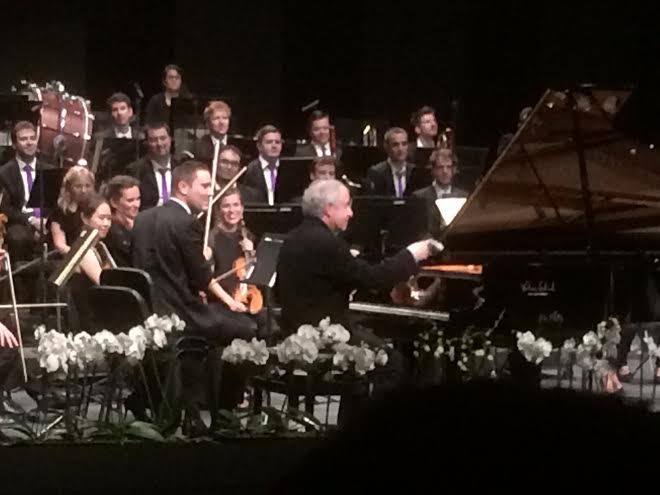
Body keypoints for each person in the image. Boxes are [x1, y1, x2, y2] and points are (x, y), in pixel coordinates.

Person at [277, 179, 439, 422]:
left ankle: (350, 421)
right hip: (323, 335)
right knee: (394, 365)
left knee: (367, 347)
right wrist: (411, 254)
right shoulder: (327, 243)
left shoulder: (293, 238)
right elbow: (373, 279)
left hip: (297, 329)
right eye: (346, 205)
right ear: (328, 209)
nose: (351, 213)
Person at [131, 160, 255, 343]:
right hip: (183, 314)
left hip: (148, 314)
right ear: (183, 187)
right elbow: (202, 279)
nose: (210, 192)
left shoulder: (142, 218)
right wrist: (205, 260)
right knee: (249, 327)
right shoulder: (188, 223)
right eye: (204, 186)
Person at [207, 189, 265, 337]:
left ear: (242, 208)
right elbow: (208, 279)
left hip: (245, 298)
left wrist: (252, 253)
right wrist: (230, 302)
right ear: (219, 210)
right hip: (222, 302)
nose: (232, 211)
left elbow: (254, 274)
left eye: (236, 205)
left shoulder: (247, 235)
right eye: (226, 206)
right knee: (249, 329)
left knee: (270, 325)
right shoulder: (212, 239)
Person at [0, 121, 54, 261]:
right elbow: (6, 208)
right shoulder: (4, 173)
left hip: (46, 220)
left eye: (32, 138)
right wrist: (31, 220)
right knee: (18, 237)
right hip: (20, 221)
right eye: (23, 139)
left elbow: (54, 203)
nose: (29, 143)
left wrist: (45, 222)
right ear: (14, 144)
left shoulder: (49, 170)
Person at [67, 194, 113, 331]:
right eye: (101, 218)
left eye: (109, 219)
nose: (106, 224)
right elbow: (104, 284)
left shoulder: (100, 246)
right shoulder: (84, 250)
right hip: (89, 321)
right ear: (85, 218)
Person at [412, 148, 467, 238]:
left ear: (454, 170)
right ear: (433, 170)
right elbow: (417, 229)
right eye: (440, 167)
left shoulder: (464, 196)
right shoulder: (419, 197)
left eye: (448, 167)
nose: (445, 171)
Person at [127, 123, 178, 211]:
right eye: (153, 140)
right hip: (149, 217)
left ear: (170, 139)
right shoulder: (135, 170)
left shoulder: (181, 166)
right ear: (147, 143)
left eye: (163, 138)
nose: (159, 144)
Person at [49, 166, 95, 255]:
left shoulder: (95, 209)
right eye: (78, 186)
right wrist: (82, 256)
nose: (83, 190)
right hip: (64, 257)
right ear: (68, 187)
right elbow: (60, 245)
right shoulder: (59, 212)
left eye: (87, 186)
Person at [101, 175, 141, 266]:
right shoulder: (110, 232)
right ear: (114, 202)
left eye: (138, 199)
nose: (137, 205)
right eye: (130, 200)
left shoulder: (140, 223)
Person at [367, 127, 415, 197]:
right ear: (386, 147)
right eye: (395, 145)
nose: (400, 149)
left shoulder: (414, 171)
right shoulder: (377, 172)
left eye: (404, 144)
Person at [244, 125, 283, 205]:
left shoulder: (288, 169)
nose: (274, 146)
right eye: (269, 142)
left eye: (277, 142)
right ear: (259, 146)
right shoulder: (249, 169)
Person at [193, 100, 232, 166]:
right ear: (207, 123)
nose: (221, 122)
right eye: (216, 118)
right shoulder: (197, 147)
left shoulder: (237, 145)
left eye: (225, 118)